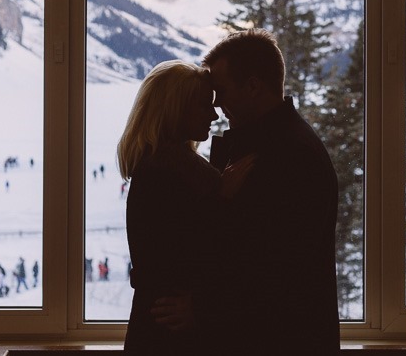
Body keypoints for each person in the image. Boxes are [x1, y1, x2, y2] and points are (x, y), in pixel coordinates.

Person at [155, 29, 340, 354]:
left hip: (275, 341)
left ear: (253, 86)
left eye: (221, 92)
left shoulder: (287, 156)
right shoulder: (279, 144)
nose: (216, 108)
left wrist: (203, 308)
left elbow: (276, 265)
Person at [119, 60, 222, 354]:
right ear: (175, 110)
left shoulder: (153, 166)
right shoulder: (177, 172)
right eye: (204, 106)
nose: (214, 115)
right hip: (175, 334)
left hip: (154, 327)